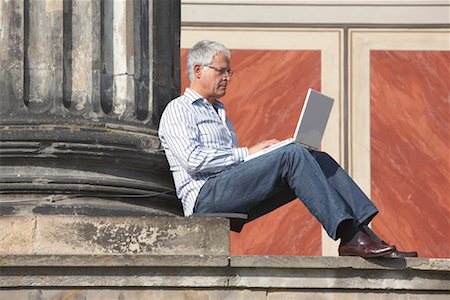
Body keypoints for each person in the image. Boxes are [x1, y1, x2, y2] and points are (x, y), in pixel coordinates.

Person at [158, 40, 417, 258]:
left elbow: (231, 167)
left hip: (226, 190)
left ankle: (362, 233)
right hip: (204, 199)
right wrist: (248, 153)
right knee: (292, 155)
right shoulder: (178, 109)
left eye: (229, 72)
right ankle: (350, 237)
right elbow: (193, 161)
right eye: (221, 71)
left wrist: (267, 154)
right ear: (198, 69)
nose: (227, 77)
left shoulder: (220, 113)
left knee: (315, 157)